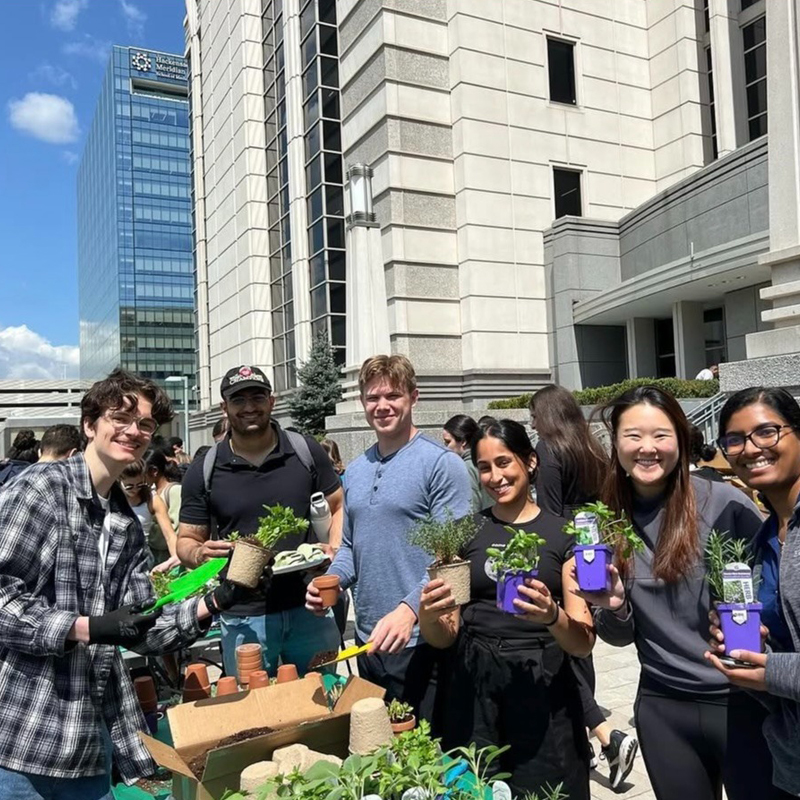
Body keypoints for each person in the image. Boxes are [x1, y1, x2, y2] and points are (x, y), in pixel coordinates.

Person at [0, 368, 262, 798]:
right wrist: (87, 627)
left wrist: (216, 600)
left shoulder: (123, 523)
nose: (133, 431)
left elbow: (146, 626)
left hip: (89, 746)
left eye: (144, 424)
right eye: (120, 418)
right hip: (24, 743)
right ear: (90, 424)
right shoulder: (41, 490)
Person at [585, 385, 783, 800]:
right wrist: (615, 607)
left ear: (680, 438)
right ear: (615, 443)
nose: (647, 448)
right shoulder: (608, 521)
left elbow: (775, 598)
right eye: (633, 435)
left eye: (661, 435)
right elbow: (619, 636)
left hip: (740, 703)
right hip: (662, 704)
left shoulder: (726, 504)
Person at [419, 418, 593, 797]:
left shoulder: (565, 535)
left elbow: (582, 642)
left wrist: (552, 615)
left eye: (504, 462)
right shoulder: (462, 534)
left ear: (529, 463)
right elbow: (444, 637)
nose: (495, 476)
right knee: (477, 785)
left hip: (542, 683)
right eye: (484, 467)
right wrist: (428, 616)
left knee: (548, 788)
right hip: (474, 682)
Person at [306, 355, 471, 722]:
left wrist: (408, 611)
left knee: (432, 755)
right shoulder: (358, 468)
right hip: (369, 642)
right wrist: (330, 580)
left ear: (414, 397)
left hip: (422, 640)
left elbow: (452, 559)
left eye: (392, 396)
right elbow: (350, 546)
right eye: (372, 397)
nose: (382, 406)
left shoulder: (441, 465)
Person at [178, 365, 343, 679]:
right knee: (252, 715)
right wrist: (199, 553)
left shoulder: (304, 451)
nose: (249, 406)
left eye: (257, 397)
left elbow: (337, 506)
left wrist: (334, 549)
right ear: (224, 408)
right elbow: (185, 540)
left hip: (309, 605)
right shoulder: (205, 469)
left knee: (323, 697)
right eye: (238, 400)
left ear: (272, 401)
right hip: (243, 615)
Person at [529, 384, 637, 788]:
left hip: (567, 554)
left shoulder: (549, 449)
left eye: (534, 413)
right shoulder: (591, 445)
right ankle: (598, 735)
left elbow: (551, 512)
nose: (533, 421)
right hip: (596, 548)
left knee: (564, 640)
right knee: (582, 637)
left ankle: (603, 737)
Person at [705, 387, 800, 797]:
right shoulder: (764, 543)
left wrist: (773, 672)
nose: (750, 448)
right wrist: (755, 655)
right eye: (735, 440)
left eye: (767, 432)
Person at [119, 459, 179, 571]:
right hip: (116, 553)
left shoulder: (152, 499)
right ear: (119, 480)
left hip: (142, 555)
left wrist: (175, 558)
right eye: (129, 486)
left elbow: (169, 535)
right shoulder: (113, 498)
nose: (135, 489)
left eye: (140, 484)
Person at [442, 414, 492, 511]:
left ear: (463, 441)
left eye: (448, 442)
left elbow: (472, 507)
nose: (445, 447)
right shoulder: (485, 461)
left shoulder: (466, 468)